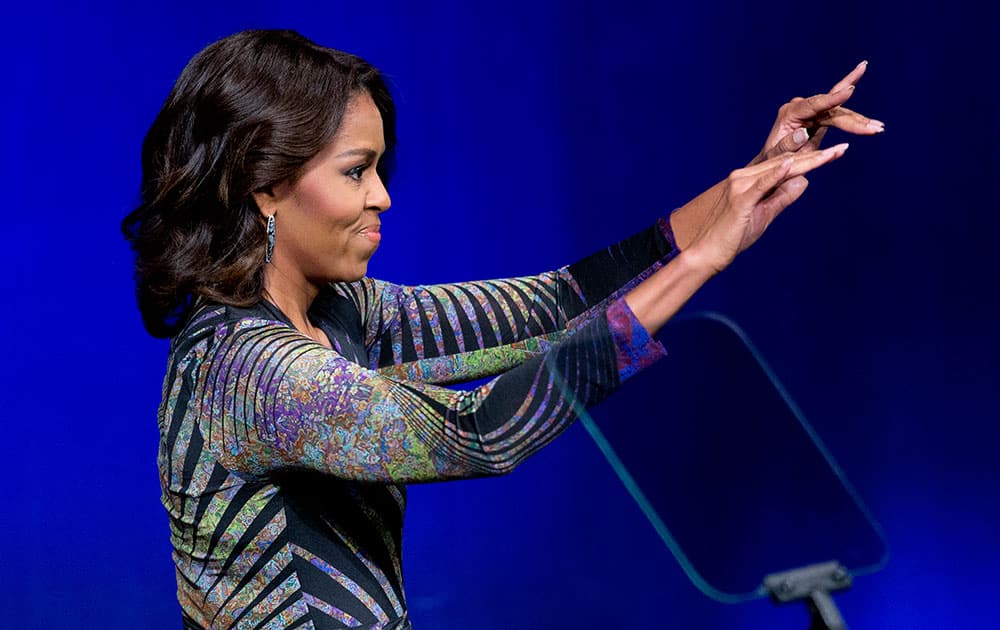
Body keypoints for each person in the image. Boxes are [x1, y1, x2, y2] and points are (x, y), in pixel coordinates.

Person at [123, 29, 883, 630]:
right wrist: (704, 263)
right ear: (265, 185)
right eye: (356, 171)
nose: (383, 196)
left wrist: (748, 183)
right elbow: (481, 432)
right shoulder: (247, 372)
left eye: (381, 168)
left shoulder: (345, 312)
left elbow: (554, 305)